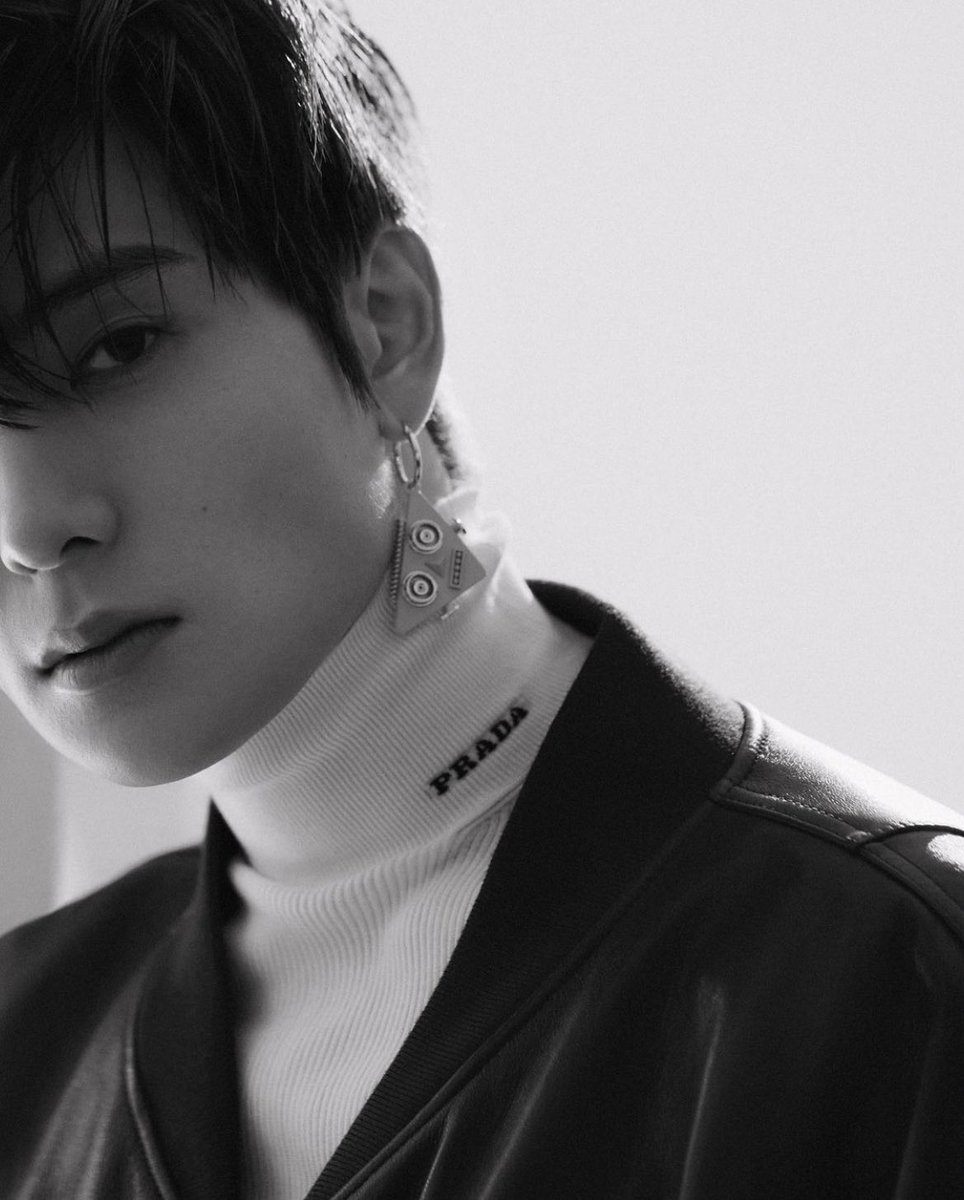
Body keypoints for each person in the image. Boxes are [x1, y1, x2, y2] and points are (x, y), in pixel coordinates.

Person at [0, 2, 962, 1197]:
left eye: (117, 347)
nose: (28, 529)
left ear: (384, 323)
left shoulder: (887, 977)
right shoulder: (26, 1041)